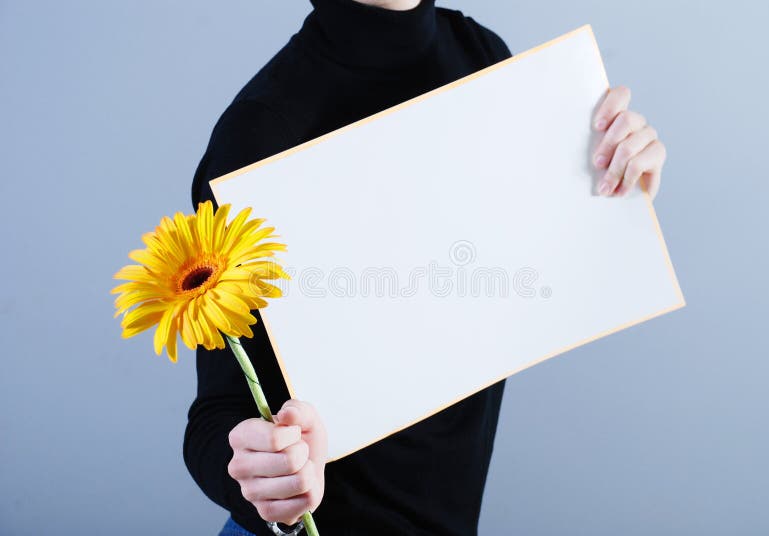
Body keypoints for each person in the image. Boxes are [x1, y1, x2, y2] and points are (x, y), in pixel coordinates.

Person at [184, 1, 667, 535]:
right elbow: (215, 417)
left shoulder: (482, 59)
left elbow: (523, 278)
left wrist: (617, 181)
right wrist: (264, 482)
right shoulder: (259, 134)